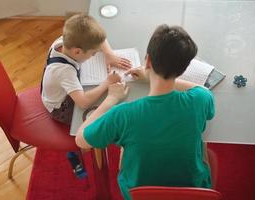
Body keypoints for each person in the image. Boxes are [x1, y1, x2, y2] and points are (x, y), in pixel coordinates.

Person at [75, 24, 215, 199]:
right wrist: (152, 76)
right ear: (184, 69)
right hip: (193, 192)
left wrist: (110, 100)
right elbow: (203, 90)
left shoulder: (123, 114)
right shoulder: (200, 99)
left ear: (148, 60)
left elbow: (82, 140)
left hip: (140, 194)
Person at [41, 13, 131, 179]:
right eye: (93, 54)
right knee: (98, 114)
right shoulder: (64, 71)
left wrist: (109, 54)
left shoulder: (64, 40)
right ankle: (76, 150)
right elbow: (82, 103)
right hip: (61, 108)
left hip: (62, 89)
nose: (95, 55)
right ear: (77, 51)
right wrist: (106, 83)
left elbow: (98, 39)